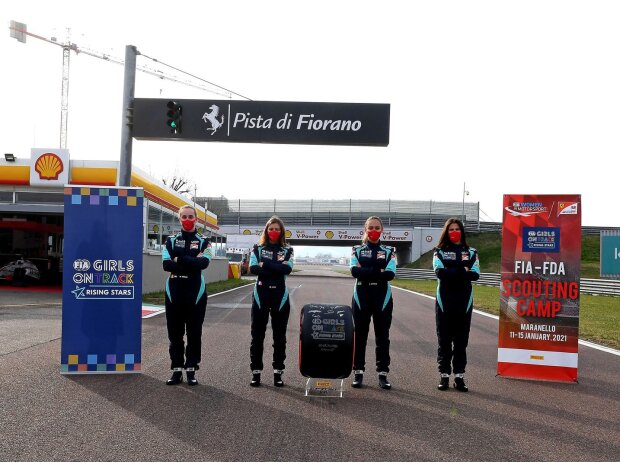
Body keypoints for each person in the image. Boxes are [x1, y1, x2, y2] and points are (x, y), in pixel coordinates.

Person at [162, 205, 212, 386]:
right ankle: (176, 370)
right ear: (179, 219)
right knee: (175, 334)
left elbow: (204, 263)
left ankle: (191, 369)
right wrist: (192, 260)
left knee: (194, 333)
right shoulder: (170, 240)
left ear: (197, 219)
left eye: (191, 216)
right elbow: (166, 265)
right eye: (184, 216)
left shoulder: (205, 241)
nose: (187, 219)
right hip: (174, 292)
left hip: (196, 293)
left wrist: (179, 258)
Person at [432, 218, 480, 392]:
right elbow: (440, 273)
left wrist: (453, 271)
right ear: (446, 231)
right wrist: (463, 270)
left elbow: (475, 275)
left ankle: (459, 376)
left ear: (462, 231)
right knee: (444, 340)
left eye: (457, 229)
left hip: (464, 302)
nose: (454, 232)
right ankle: (444, 375)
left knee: (461, 341)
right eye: (451, 229)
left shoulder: (472, 252)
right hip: (444, 301)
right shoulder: (439, 251)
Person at [349, 216, 397, 390]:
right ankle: (358, 372)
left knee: (382, 337)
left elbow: (390, 274)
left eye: (377, 227)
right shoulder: (357, 250)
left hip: (382, 297)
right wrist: (379, 270)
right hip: (361, 296)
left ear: (382, 230)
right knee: (359, 336)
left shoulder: (390, 250)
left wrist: (366, 271)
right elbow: (355, 271)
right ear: (365, 229)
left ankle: (382, 374)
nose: (374, 230)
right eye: (371, 227)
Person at [249, 216, 294, 387]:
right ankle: (256, 372)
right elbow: (253, 268)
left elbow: (287, 269)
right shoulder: (257, 248)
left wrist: (265, 265)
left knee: (280, 337)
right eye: (271, 228)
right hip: (260, 296)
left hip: (280, 297)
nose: (273, 232)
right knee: (257, 337)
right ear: (266, 230)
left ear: (281, 231)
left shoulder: (288, 250)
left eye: (277, 229)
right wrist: (276, 267)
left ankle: (278, 373)